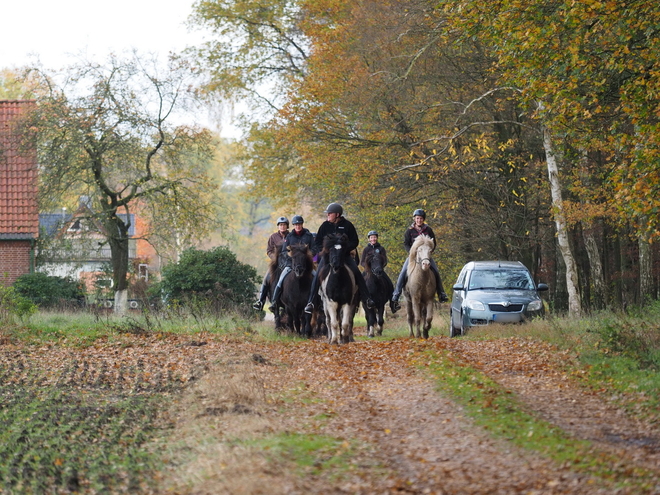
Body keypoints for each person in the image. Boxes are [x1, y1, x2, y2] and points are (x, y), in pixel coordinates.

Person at [304, 203, 374, 314]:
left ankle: (367, 298)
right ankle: (311, 302)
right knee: (317, 275)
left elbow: (355, 241)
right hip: (328, 257)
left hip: (344, 256)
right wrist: (326, 250)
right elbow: (317, 242)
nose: (328, 215)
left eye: (330, 213)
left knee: (357, 272)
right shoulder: (325, 226)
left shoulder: (348, 225)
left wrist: (344, 249)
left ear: (337, 214)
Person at [390, 209, 448, 313]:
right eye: (417, 218)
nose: (419, 220)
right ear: (414, 219)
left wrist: (429, 252)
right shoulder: (409, 230)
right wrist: (412, 252)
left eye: (421, 218)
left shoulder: (428, 230)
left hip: (426, 256)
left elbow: (433, 243)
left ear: (423, 220)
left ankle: (441, 293)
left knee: (435, 271)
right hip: (413, 257)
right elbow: (406, 244)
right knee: (403, 272)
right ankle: (396, 294)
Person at [268, 215, 315, 312]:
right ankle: (274, 301)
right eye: (296, 224)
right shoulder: (289, 237)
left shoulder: (308, 236)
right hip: (291, 264)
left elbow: (315, 248)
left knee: (317, 277)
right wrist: (291, 256)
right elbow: (284, 251)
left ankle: (319, 301)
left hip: (306, 265)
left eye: (299, 224)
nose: (298, 226)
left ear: (302, 224)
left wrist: (309, 254)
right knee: (281, 279)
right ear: (293, 225)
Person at [253, 216, 290, 310]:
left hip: (288, 262)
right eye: (281, 225)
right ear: (278, 226)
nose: (282, 227)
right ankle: (261, 301)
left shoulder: (291, 236)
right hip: (276, 263)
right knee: (266, 278)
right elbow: (269, 250)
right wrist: (275, 258)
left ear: (287, 226)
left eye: (284, 225)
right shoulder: (273, 237)